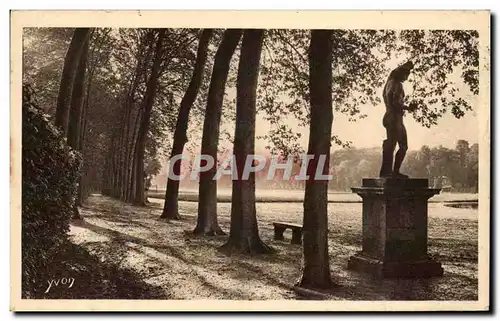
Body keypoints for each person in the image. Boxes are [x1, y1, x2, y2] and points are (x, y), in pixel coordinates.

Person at [379, 61, 418, 178]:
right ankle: (393, 172)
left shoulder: (389, 84)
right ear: (401, 74)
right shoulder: (397, 84)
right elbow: (396, 103)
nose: (407, 78)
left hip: (389, 117)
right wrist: (409, 107)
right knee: (403, 146)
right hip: (395, 119)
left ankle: (386, 172)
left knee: (391, 145)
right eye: (406, 75)